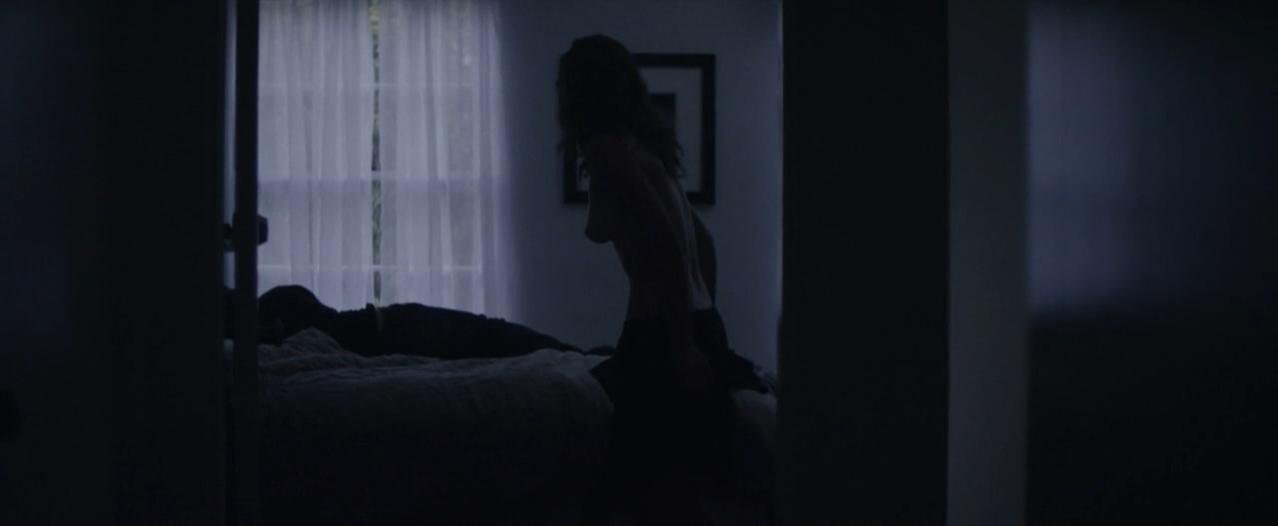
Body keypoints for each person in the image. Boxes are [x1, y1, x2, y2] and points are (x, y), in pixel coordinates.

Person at [557, 34, 767, 525]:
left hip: (656, 332)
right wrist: (699, 322)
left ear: (580, 91)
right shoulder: (649, 151)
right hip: (699, 321)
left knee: (633, 487)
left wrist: (680, 344)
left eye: (564, 85)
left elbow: (663, 244)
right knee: (677, 480)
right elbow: (703, 244)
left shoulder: (607, 150)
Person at [244, 284, 579, 359]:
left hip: (393, 324)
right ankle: (584, 358)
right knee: (492, 335)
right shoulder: (263, 321)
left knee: (493, 334)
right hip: (393, 330)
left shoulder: (264, 311)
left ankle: (583, 357)